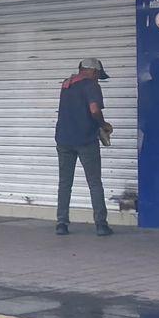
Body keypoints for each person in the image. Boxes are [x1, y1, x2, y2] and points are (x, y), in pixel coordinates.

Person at [55, 57, 114, 237]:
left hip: (64, 139)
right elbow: (94, 109)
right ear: (93, 71)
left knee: (65, 183)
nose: (97, 78)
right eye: (97, 75)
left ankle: (61, 224)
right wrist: (103, 125)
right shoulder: (91, 85)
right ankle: (101, 225)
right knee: (94, 182)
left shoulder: (66, 84)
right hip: (86, 140)